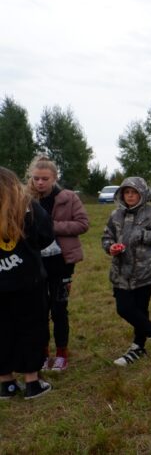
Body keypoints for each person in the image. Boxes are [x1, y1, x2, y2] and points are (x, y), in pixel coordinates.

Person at [101, 177, 151, 365]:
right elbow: (106, 236)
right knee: (124, 308)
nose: (130, 196)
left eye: (134, 192)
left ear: (142, 194)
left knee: (141, 310)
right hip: (120, 271)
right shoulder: (116, 215)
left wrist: (142, 234)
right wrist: (110, 247)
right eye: (127, 192)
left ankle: (137, 347)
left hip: (145, 271)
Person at [26, 156, 89, 372]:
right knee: (38, 309)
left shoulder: (68, 198)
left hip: (62, 262)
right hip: (34, 263)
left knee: (59, 308)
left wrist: (51, 227)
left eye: (45, 178)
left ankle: (61, 353)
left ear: (54, 178)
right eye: (36, 178)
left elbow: (83, 224)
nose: (40, 183)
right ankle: (42, 354)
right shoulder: (24, 200)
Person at [0, 166, 55, 400]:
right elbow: (46, 236)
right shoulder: (29, 207)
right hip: (28, 282)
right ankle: (32, 382)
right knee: (31, 329)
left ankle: (7, 384)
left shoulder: (29, 207)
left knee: (2, 331)